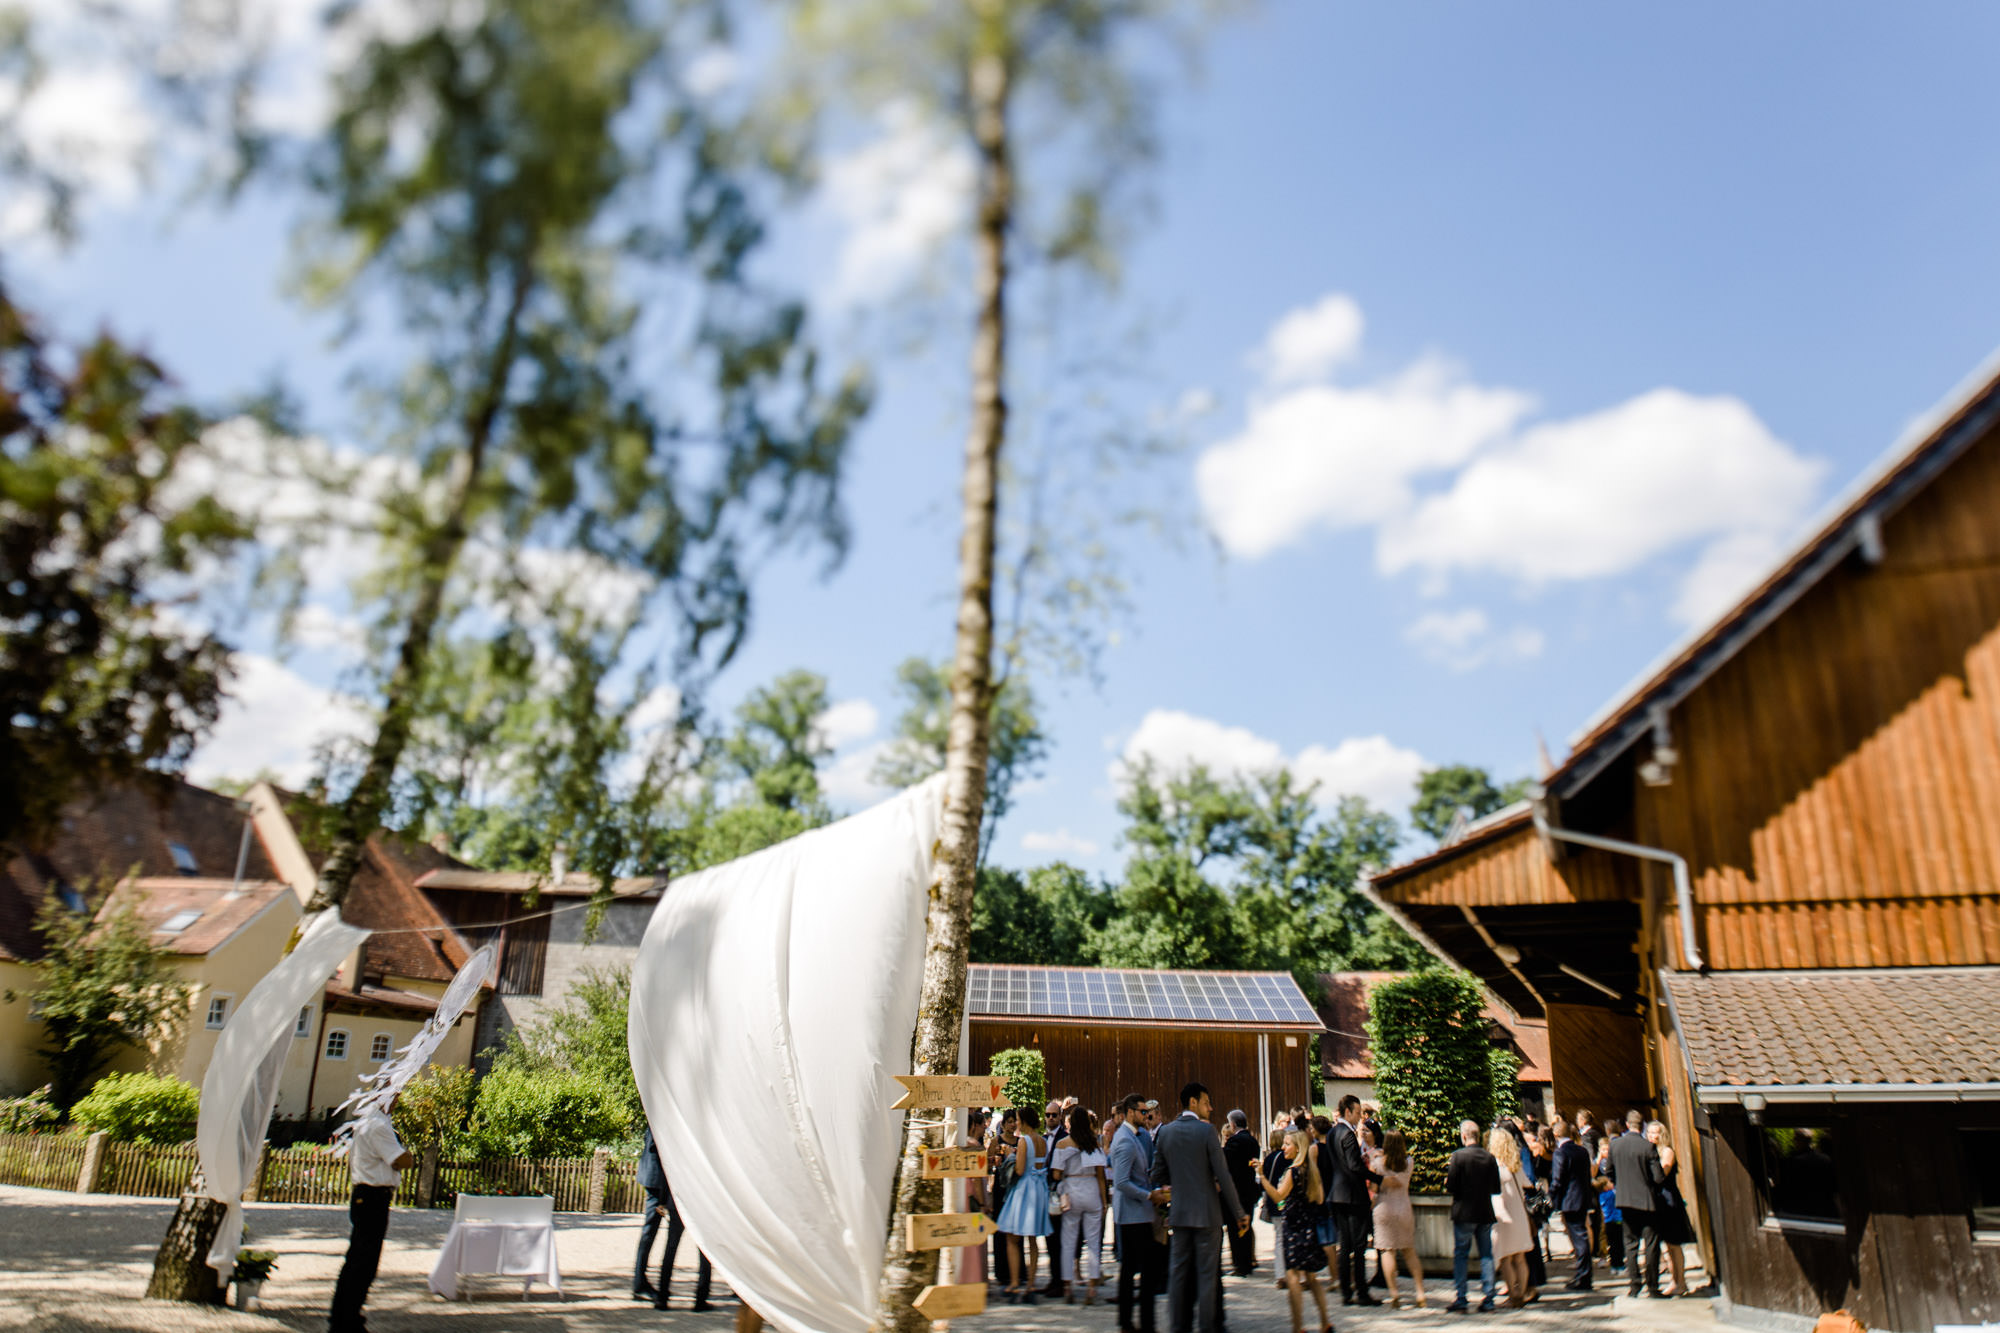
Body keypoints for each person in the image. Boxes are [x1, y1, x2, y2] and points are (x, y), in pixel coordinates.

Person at [1150, 1081, 1250, 1333]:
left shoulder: (1166, 1133)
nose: (1211, 1107)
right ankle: (1206, 1327)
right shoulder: (1207, 1132)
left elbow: (1156, 1175)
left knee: (1178, 1274)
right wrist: (1239, 1212)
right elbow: (1223, 1175)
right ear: (1193, 1102)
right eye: (1207, 1102)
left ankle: (1177, 1326)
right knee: (1207, 1277)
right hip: (1207, 1214)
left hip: (1179, 1213)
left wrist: (1169, 1191)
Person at [327, 1104, 412, 1333]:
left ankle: (346, 1317)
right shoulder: (377, 1125)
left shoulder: (371, 1121)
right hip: (373, 1196)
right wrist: (407, 1156)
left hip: (369, 1196)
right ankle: (346, 1321)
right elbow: (400, 1160)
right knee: (363, 1261)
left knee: (360, 1259)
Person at [1261, 1128, 1333, 1333]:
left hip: (1293, 1228)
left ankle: (1298, 1326)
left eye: (1287, 1144)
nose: (1284, 1148)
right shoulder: (1312, 1171)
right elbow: (1320, 1198)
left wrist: (1263, 1178)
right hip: (1309, 1227)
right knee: (1311, 1277)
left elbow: (1278, 1196)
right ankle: (1325, 1322)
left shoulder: (1292, 1172)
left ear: (1297, 1148)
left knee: (1293, 1277)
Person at [636, 1128, 714, 1311]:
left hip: (678, 1196)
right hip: (700, 1197)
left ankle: (662, 1297)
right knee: (704, 1248)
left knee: (671, 1247)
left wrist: (664, 1199)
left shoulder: (678, 1134)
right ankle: (700, 1298)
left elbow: (670, 1166)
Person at [1111, 1094, 1170, 1333]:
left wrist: (1155, 1190)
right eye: (1143, 1111)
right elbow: (1121, 1182)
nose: (1147, 1115)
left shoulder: (1138, 1136)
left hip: (1138, 1213)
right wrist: (1149, 1195)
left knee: (1134, 1268)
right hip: (1132, 1214)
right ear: (1130, 1112)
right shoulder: (1125, 1140)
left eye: (1148, 1112)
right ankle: (1138, 1322)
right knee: (1140, 1269)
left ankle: (1132, 1321)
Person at [1051, 1106, 1111, 1304]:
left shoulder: (1062, 1144)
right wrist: (1104, 1202)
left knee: (1068, 1241)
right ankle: (1092, 1287)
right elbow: (1101, 1176)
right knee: (1093, 1242)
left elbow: (1056, 1174)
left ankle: (1068, 1285)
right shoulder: (1094, 1144)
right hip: (1091, 1188)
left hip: (1072, 1189)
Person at [1326, 1095, 1382, 1307]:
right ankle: (1361, 1291)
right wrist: (1377, 1178)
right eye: (1357, 1112)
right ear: (1348, 1111)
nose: (1360, 1117)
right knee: (1358, 1246)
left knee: (1345, 1244)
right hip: (1353, 1195)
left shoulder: (1332, 1132)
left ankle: (1346, 1292)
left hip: (1337, 1194)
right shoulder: (1347, 1134)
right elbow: (1354, 1166)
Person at [997, 1105, 1054, 1303]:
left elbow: (1020, 1170)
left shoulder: (1024, 1141)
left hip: (1024, 1189)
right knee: (1033, 1239)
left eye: (1018, 1120)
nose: (1017, 1123)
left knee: (1012, 1237)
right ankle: (1031, 1283)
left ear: (1024, 1121)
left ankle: (1014, 1283)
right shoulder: (1043, 1141)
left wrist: (1009, 1157)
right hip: (1039, 1188)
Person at [1607, 1110, 1665, 1297]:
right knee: (1651, 1244)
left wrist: (1621, 1184)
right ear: (1643, 1126)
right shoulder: (1648, 1147)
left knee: (1630, 1244)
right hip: (1647, 1201)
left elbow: (1609, 1171)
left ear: (1627, 1124)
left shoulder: (1615, 1145)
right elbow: (1658, 1177)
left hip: (1625, 1200)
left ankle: (1634, 1285)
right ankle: (1653, 1286)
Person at [1444, 1120, 1500, 1313]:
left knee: (1461, 1254)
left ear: (1464, 1136)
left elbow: (1451, 1186)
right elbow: (1496, 1188)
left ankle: (1461, 1297)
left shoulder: (1458, 1156)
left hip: (1464, 1212)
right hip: (1484, 1211)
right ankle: (1489, 1297)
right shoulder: (1489, 1157)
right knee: (1486, 1254)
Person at [1372, 1130, 1425, 1309]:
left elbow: (1374, 1188)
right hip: (1403, 1206)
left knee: (1387, 1251)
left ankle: (1394, 1293)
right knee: (1409, 1251)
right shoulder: (1409, 1162)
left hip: (1384, 1207)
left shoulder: (1378, 1163)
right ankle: (1420, 1292)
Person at [1487, 1127, 1536, 1308]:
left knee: (1506, 1258)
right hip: (1520, 1215)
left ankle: (1513, 1295)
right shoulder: (1516, 1166)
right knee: (1520, 1258)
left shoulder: (1495, 1168)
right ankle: (1521, 1294)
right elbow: (1528, 1184)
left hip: (1504, 1215)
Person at [1645, 1122, 1695, 1296]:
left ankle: (1681, 1281)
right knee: (1667, 1247)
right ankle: (1674, 1281)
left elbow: (1661, 1174)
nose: (1653, 1136)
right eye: (1650, 1132)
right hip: (1658, 1201)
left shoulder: (1667, 1152)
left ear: (1662, 1134)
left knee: (1674, 1244)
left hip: (1669, 1201)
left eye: (1656, 1133)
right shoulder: (1650, 1152)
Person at [1548, 1116, 1595, 1291]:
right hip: (1582, 1197)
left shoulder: (1560, 1153)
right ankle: (1583, 1274)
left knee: (1579, 1238)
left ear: (1556, 1135)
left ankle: (1584, 1277)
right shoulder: (1581, 1151)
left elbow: (1558, 1179)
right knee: (1581, 1236)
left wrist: (1551, 1197)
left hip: (1569, 1200)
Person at [1223, 1110, 1262, 1277]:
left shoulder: (1234, 1142)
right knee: (1247, 1225)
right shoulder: (1253, 1141)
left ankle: (1240, 1264)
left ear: (1232, 1124)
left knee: (1234, 1228)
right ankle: (1248, 1261)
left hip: (1236, 1191)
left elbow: (1225, 1164)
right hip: (1249, 1189)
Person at [1594, 1137, 1624, 1276]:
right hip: (1613, 1216)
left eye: (1608, 1149)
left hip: (1612, 1215)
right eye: (1603, 1149)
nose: (1606, 1151)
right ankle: (1612, 1260)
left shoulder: (1615, 1161)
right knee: (1611, 1238)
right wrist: (1599, 1159)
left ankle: (1615, 1263)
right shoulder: (1609, 1193)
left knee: (1614, 1240)